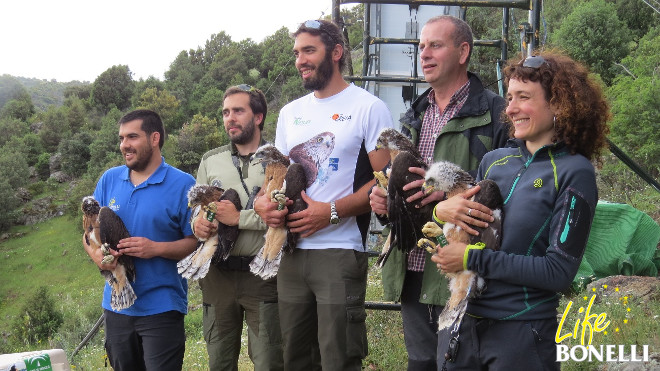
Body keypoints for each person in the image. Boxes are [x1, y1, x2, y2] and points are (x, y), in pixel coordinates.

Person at [431, 51, 610, 369]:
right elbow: (472, 234)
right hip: (461, 328)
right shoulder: (494, 161)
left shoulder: (574, 172)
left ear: (557, 104)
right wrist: (442, 212)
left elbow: (558, 272)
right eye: (509, 97)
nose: (510, 108)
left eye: (523, 97)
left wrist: (471, 258)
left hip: (522, 336)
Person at [369, 15, 508, 370]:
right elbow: (397, 189)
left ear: (463, 52)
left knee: (462, 363)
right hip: (414, 265)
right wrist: (384, 203)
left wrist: (446, 204)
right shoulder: (412, 116)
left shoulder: (496, 114)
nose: (424, 54)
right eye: (421, 47)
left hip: (466, 267)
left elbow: (506, 190)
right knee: (421, 365)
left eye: (436, 45)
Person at [254, 19, 393, 371]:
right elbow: (277, 177)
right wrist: (263, 204)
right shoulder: (290, 113)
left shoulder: (368, 107)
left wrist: (331, 211)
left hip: (340, 250)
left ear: (336, 52)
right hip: (290, 252)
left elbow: (386, 178)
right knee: (296, 359)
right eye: (297, 52)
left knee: (338, 358)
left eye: (309, 50)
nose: (300, 59)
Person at [82, 109, 198, 371]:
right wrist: (97, 256)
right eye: (122, 138)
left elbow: (195, 243)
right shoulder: (109, 179)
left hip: (162, 308)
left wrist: (155, 248)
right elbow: (88, 234)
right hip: (117, 307)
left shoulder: (183, 184)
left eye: (132, 137)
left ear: (154, 138)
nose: (124, 145)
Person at [191, 84, 283, 370]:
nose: (230, 118)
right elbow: (198, 208)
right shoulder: (210, 160)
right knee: (219, 361)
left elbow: (281, 215)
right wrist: (198, 225)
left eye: (238, 111)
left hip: (263, 276)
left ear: (258, 116)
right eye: (225, 112)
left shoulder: (278, 159)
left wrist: (238, 218)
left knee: (270, 361)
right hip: (218, 276)